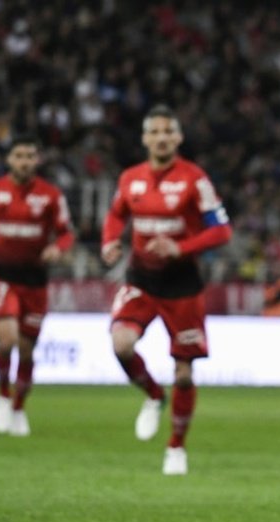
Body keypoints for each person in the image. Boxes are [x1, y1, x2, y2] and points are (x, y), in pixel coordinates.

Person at [100, 105, 231, 475]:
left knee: (185, 375)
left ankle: (176, 448)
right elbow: (115, 216)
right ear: (145, 138)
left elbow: (222, 230)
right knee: (121, 344)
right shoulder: (130, 179)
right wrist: (110, 242)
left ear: (177, 137)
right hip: (140, 278)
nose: (160, 137)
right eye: (154, 131)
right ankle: (154, 396)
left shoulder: (194, 179)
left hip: (182, 284)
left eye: (167, 131)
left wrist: (180, 248)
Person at [0, 135, 75, 436]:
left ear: (37, 160)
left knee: (26, 350)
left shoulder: (50, 195)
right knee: (7, 340)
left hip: (35, 281)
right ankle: (1, 395)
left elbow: (66, 233)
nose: (24, 161)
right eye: (19, 155)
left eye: (29, 156)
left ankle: (19, 408)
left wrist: (58, 249)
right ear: (9, 159)